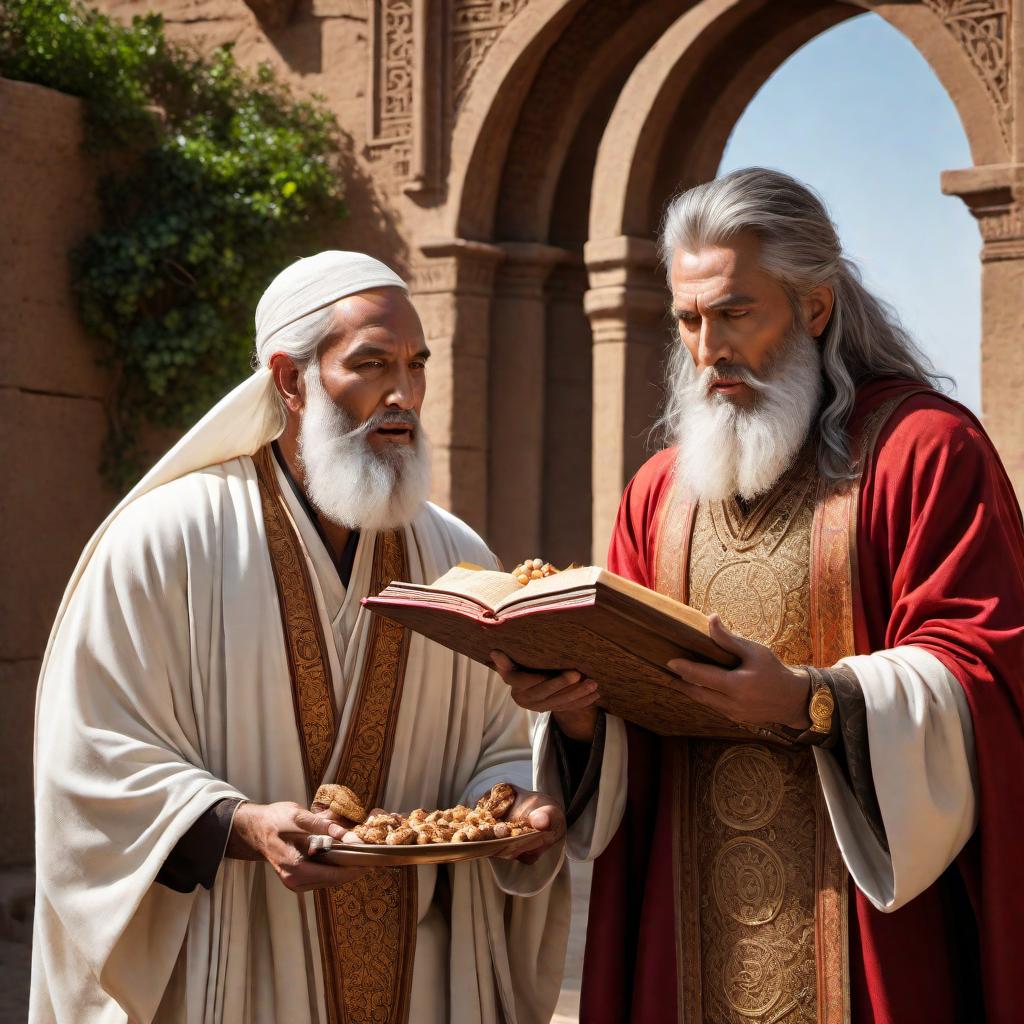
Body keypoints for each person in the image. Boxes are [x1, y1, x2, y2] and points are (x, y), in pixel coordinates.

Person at [494, 168, 1024, 1023]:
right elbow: (629, 693)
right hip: (686, 923)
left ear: (814, 306)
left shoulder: (925, 454)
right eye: (689, 320)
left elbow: (989, 673)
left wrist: (815, 701)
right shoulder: (659, 494)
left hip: (868, 928)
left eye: (737, 312)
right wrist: (581, 714)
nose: (709, 349)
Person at [31, 252, 569, 1024]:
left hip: (419, 976)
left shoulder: (457, 558)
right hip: (235, 964)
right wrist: (237, 824)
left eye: (417, 366)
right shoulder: (165, 540)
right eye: (372, 365)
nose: (404, 394)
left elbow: (494, 741)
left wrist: (513, 801)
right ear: (290, 380)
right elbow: (89, 757)